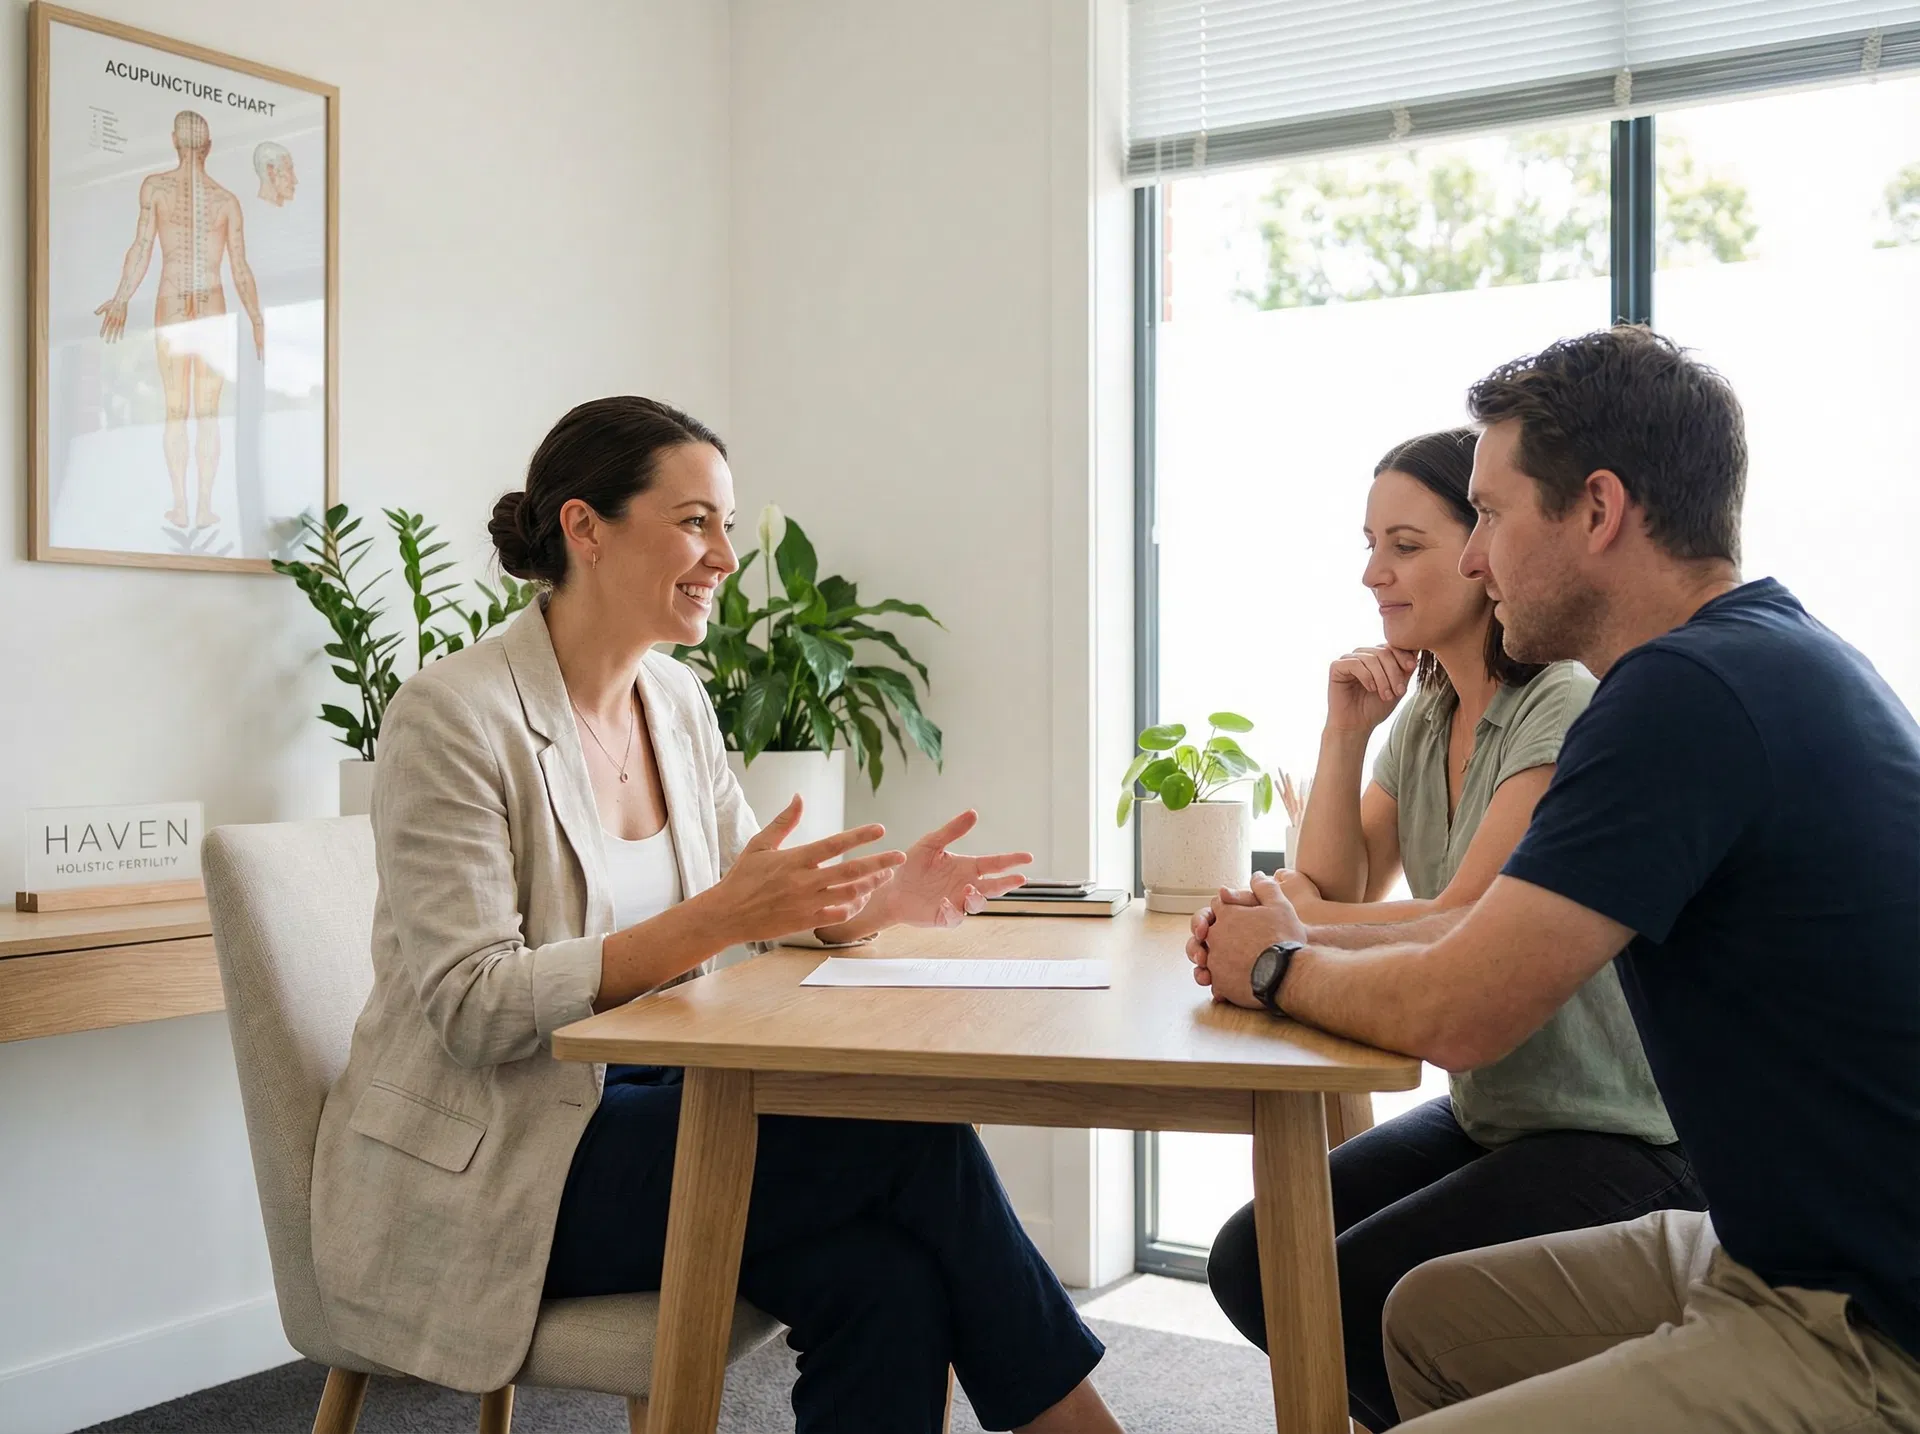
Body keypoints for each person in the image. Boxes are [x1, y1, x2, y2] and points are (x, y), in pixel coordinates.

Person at [309, 396, 1122, 1434]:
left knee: (886, 1282)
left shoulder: (677, 701)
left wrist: (871, 906)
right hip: (503, 1155)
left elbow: (753, 892)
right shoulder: (453, 717)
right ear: (585, 528)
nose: (727, 556)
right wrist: (719, 917)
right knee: (908, 1136)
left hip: (654, 1103)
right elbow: (473, 1007)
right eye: (697, 521)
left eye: (726, 524)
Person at [1188, 327, 1920, 1432]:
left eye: (1487, 513)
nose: (1475, 558)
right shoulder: (1754, 656)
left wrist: (1281, 963)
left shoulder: (1681, 695)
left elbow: (1458, 1005)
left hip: (1870, 1321)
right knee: (1422, 1314)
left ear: (1598, 510)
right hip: (1766, 1242)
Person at [1204, 428, 1698, 1432]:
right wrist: (1346, 731)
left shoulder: (1561, 705)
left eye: (1406, 544)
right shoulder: (1429, 712)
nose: (1372, 572)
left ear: (1483, 553)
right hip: (1498, 1114)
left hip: (1622, 1136)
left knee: (1346, 1294)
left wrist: (1277, 944)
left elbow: (1455, 916)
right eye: (1370, 543)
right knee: (1256, 1260)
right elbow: (1338, 878)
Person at [95, 111, 265, 530]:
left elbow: (142, 247)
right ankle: (202, 506)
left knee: (178, 409)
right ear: (208, 146)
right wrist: (257, 320)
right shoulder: (226, 200)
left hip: (172, 301)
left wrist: (122, 297)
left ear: (174, 141)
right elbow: (240, 268)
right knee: (206, 412)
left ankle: (183, 505)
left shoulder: (157, 188)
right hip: (211, 304)